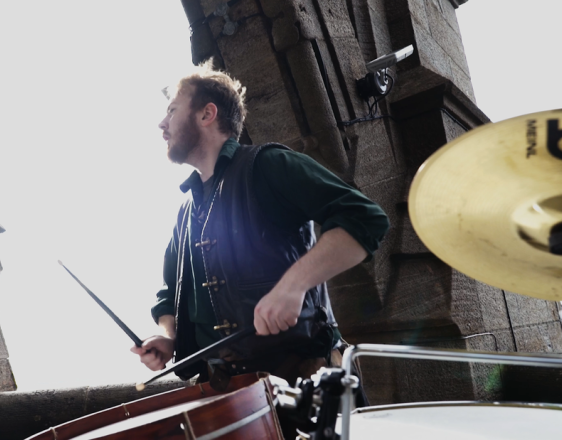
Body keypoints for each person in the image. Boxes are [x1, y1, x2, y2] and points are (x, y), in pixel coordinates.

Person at [131, 60, 388, 391]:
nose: (162, 123)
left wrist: (293, 285)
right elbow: (170, 293)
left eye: (172, 110)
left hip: (302, 379)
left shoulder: (268, 165)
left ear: (207, 114)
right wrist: (170, 338)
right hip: (225, 390)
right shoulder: (186, 211)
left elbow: (365, 217)